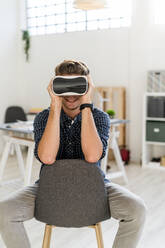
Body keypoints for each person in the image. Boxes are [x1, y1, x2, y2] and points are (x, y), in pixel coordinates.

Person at [0, 60, 147, 248]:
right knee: (4, 211)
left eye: (77, 87)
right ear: (55, 87)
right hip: (48, 187)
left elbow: (93, 156)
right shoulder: (44, 117)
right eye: (64, 86)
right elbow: (47, 157)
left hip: (95, 186)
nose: (70, 95)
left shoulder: (99, 117)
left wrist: (86, 106)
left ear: (87, 87)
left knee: (137, 209)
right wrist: (55, 105)